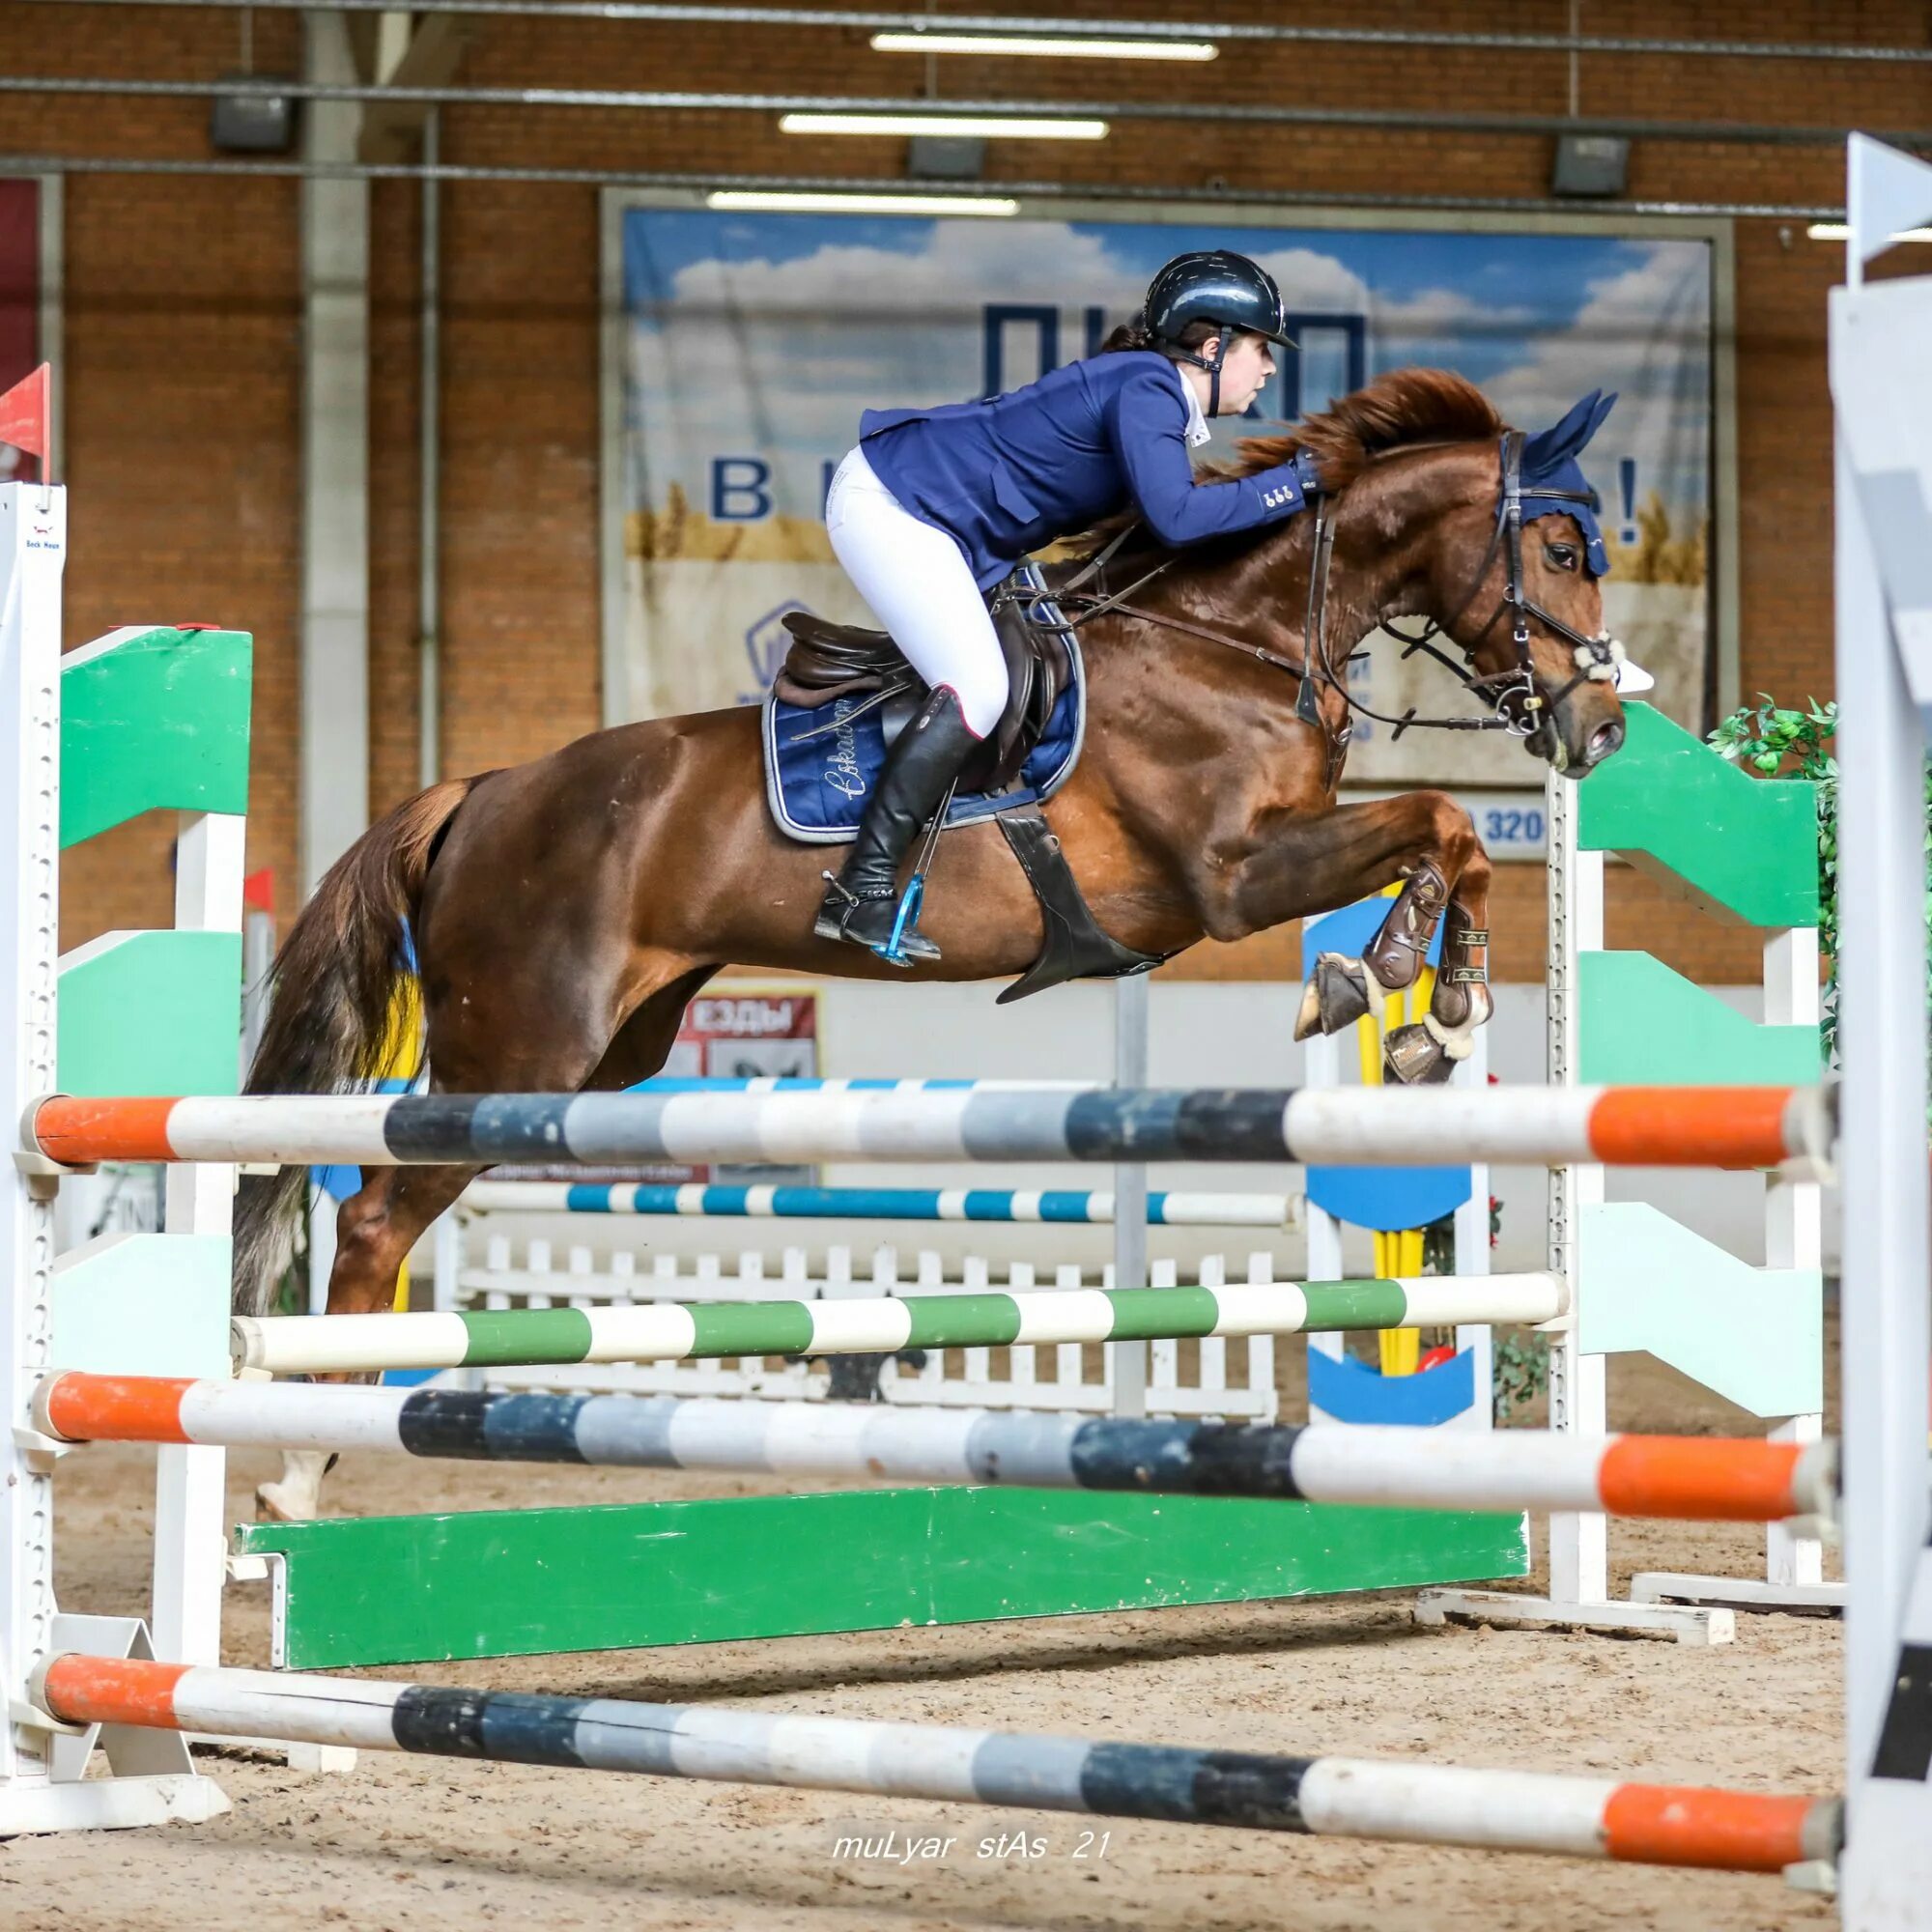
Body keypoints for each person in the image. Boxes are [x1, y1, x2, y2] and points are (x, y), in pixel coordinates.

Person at [813, 248, 1324, 963]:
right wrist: (1289, 486)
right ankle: (860, 890)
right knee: (981, 688)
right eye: (1259, 349)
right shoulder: (1148, 389)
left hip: (943, 522)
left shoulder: (1148, 393)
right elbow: (1178, 519)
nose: (1268, 368)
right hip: (896, 505)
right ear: (1211, 349)